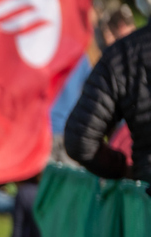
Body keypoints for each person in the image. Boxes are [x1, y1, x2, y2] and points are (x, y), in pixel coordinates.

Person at [65, 26, 151, 193]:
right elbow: (81, 138)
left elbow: (80, 139)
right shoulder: (125, 53)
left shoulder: (126, 53)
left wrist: (124, 170)